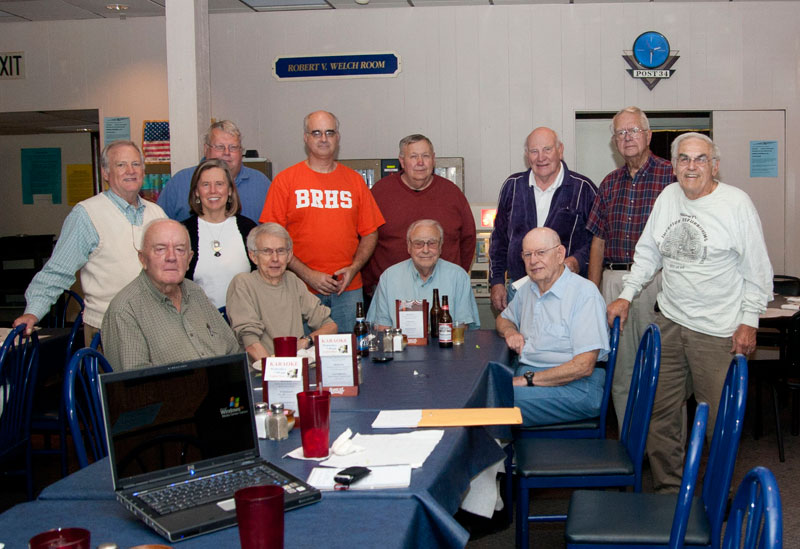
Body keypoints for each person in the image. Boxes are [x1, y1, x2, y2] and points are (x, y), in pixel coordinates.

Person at [607, 132, 772, 492]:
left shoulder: (736, 204)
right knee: (659, 414)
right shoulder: (668, 197)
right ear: (674, 165)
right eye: (684, 159)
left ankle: (715, 495)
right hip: (669, 321)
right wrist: (627, 293)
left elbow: (757, 270)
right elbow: (648, 252)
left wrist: (749, 321)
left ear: (714, 166)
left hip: (717, 331)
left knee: (717, 422)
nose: (691, 166)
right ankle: (670, 491)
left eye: (700, 159)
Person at [13, 140, 166, 345]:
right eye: (121, 165)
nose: (130, 170)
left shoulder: (157, 213)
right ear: (105, 173)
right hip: (108, 329)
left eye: (136, 164)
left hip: (157, 325)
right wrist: (33, 312)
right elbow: (58, 270)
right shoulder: (87, 214)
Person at [586, 106, 675, 429]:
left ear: (648, 135)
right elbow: (597, 241)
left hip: (658, 282)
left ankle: (660, 446)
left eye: (633, 130)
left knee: (661, 368)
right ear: (614, 142)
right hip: (613, 281)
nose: (627, 138)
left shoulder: (673, 176)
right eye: (621, 133)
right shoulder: (608, 183)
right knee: (621, 370)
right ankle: (630, 442)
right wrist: (594, 292)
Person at [259, 110, 385, 332]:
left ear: (338, 137)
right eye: (316, 133)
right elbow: (271, 238)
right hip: (299, 288)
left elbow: (370, 232)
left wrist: (354, 269)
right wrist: (308, 274)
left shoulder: (354, 181)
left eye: (329, 132)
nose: (324, 139)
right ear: (305, 137)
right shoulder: (285, 181)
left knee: (350, 356)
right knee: (304, 357)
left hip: (348, 290)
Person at [496, 227, 609, 427]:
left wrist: (527, 379)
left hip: (577, 386)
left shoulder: (584, 294)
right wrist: (511, 331)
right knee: (481, 388)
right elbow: (503, 319)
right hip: (532, 375)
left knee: (493, 402)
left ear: (560, 254)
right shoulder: (528, 289)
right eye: (528, 254)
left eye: (541, 253)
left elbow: (583, 366)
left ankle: (501, 457)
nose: (533, 261)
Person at [102, 219, 240, 371]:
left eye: (180, 250)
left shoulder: (195, 292)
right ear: (143, 259)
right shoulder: (125, 310)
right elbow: (135, 388)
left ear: (189, 259)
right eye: (160, 249)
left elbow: (233, 350)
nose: (171, 257)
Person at [489, 127, 597, 313]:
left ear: (560, 150)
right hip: (520, 290)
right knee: (519, 340)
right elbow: (499, 239)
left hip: (566, 291)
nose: (541, 157)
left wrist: (577, 260)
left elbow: (597, 241)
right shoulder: (512, 187)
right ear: (526, 155)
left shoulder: (583, 189)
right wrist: (497, 281)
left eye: (547, 149)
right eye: (534, 151)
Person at [361, 134, 476, 300]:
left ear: (434, 159)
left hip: (444, 292)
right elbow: (365, 238)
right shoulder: (380, 193)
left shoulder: (452, 194)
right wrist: (368, 283)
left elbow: (468, 240)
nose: (420, 163)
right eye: (413, 157)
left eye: (425, 156)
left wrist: (456, 277)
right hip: (391, 293)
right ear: (402, 161)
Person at [226, 223, 337, 361]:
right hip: (260, 372)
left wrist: (306, 341)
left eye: (281, 251)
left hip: (295, 369)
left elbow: (330, 326)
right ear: (253, 256)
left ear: (289, 255)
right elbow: (251, 345)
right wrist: (277, 371)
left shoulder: (292, 281)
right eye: (267, 251)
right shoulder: (243, 283)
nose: (275, 259)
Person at [367, 219, 480, 330]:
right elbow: (381, 327)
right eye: (418, 244)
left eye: (432, 243)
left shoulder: (458, 277)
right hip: (401, 347)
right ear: (409, 246)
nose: (425, 250)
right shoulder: (389, 278)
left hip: (445, 347)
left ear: (440, 246)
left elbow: (463, 328)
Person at [157, 120, 270, 223]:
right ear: (206, 149)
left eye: (233, 147)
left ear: (241, 151)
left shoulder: (261, 183)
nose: (226, 153)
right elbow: (159, 227)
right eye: (219, 147)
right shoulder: (180, 182)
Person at [181, 159, 256, 309]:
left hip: (245, 323)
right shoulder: (183, 232)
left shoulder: (248, 229)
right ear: (196, 191)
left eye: (219, 184)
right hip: (199, 323)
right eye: (206, 185)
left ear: (229, 190)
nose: (213, 190)